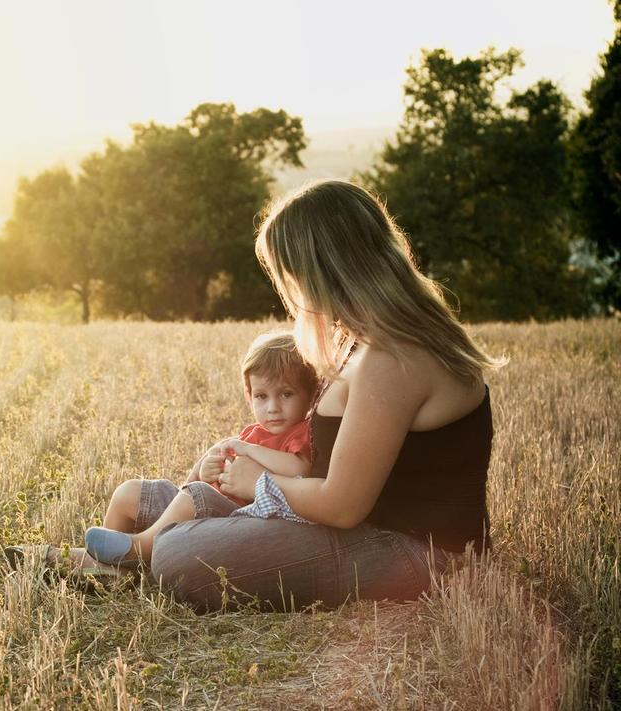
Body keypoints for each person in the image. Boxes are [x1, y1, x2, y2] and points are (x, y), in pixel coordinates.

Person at [148, 179, 500, 611]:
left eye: (291, 275)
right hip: (365, 527)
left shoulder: (395, 355)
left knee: (176, 555)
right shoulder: (363, 340)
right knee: (167, 500)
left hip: (414, 552)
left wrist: (261, 483)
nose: (294, 292)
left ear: (324, 270)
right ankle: (131, 547)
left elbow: (341, 505)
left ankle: (139, 550)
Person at [83, 332, 320, 568]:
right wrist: (209, 470)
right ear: (249, 396)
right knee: (129, 492)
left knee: (196, 495)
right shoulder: (252, 433)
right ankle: (102, 565)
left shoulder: (300, 432)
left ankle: (140, 548)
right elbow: (204, 480)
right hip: (200, 506)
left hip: (235, 520)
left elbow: (299, 468)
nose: (273, 408)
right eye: (261, 396)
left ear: (309, 396)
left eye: (286, 394)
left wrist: (249, 450)